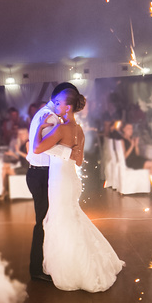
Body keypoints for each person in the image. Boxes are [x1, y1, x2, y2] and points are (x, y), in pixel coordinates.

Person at [34, 86, 123, 292]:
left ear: (67, 107)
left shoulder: (61, 129)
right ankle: (91, 261)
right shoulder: (79, 130)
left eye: (58, 103)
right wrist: (65, 152)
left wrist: (39, 127)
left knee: (63, 219)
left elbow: (37, 148)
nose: (55, 106)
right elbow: (80, 160)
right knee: (71, 216)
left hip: (60, 181)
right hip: (71, 178)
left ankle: (74, 268)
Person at [26, 84, 76, 282]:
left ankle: (43, 265)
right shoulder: (51, 118)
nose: (60, 105)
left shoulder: (42, 113)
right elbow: (44, 148)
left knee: (45, 220)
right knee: (43, 222)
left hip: (36, 173)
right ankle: (37, 268)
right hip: (42, 175)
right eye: (61, 101)